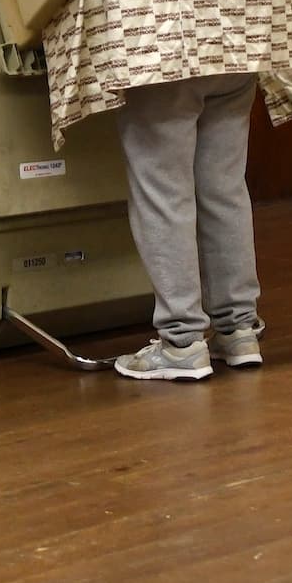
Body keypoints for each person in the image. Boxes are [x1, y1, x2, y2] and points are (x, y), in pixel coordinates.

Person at [110, 73, 266, 382]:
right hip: (234, 45)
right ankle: (238, 330)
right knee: (224, 187)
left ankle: (181, 343)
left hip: (160, 49)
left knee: (164, 191)